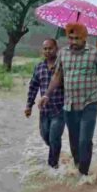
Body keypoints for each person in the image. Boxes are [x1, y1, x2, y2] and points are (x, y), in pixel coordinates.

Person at [38, 23, 97, 178]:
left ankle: (83, 175)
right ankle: (78, 165)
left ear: (85, 38)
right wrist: (46, 94)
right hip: (69, 104)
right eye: (70, 38)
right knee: (74, 142)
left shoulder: (95, 53)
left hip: (89, 102)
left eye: (77, 38)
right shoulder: (63, 53)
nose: (73, 41)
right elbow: (57, 76)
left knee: (84, 140)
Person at [24, 39, 65, 170]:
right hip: (44, 111)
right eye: (45, 49)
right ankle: (56, 151)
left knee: (54, 137)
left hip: (59, 109)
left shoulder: (62, 66)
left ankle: (53, 166)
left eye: (50, 48)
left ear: (56, 49)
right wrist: (29, 105)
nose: (47, 51)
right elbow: (33, 87)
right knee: (45, 136)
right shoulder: (39, 67)